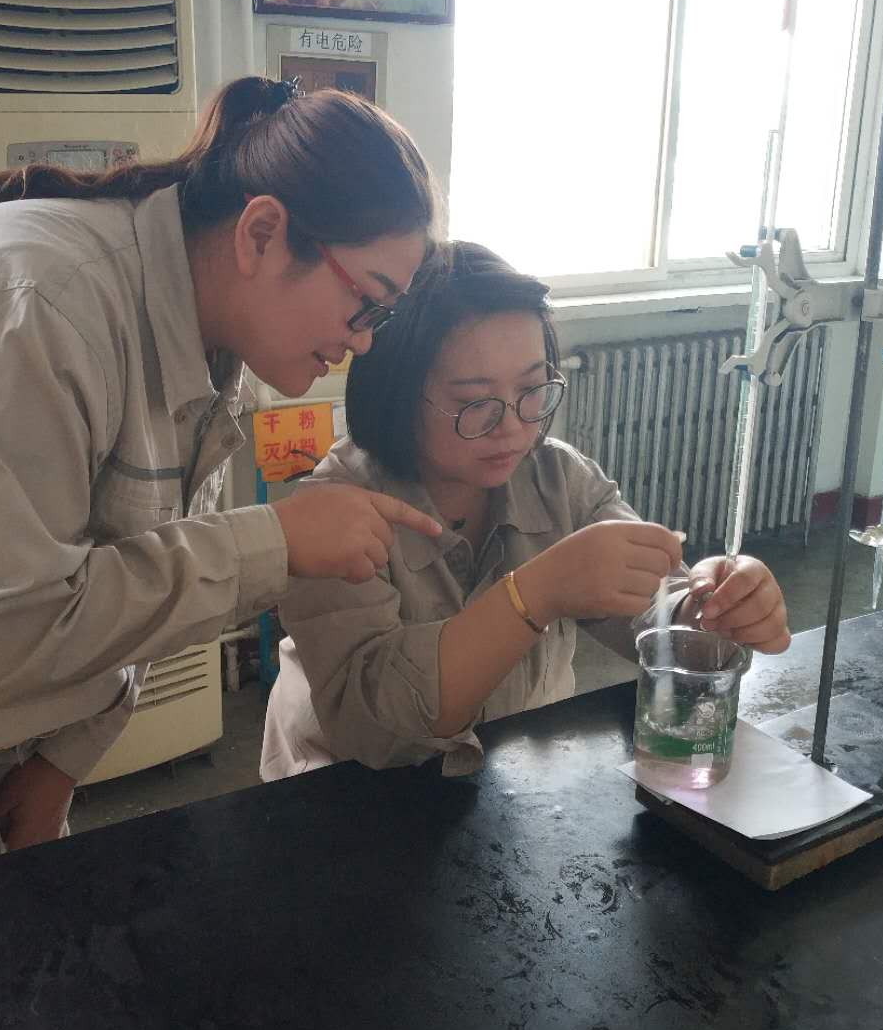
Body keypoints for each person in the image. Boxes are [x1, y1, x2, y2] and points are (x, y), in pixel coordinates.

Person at [0, 75, 444, 976]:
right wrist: (276, 541)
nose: (364, 341)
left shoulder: (207, 344)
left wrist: (61, 762)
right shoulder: (30, 298)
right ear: (262, 233)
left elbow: (139, 575)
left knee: (33, 985)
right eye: (368, 302)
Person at [261, 240, 791, 781]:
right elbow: (374, 731)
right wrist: (534, 594)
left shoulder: (560, 479)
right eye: (474, 402)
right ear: (396, 393)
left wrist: (715, 610)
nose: (514, 426)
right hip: (342, 794)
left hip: (514, 779)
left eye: (534, 389)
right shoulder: (333, 513)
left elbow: (660, 617)